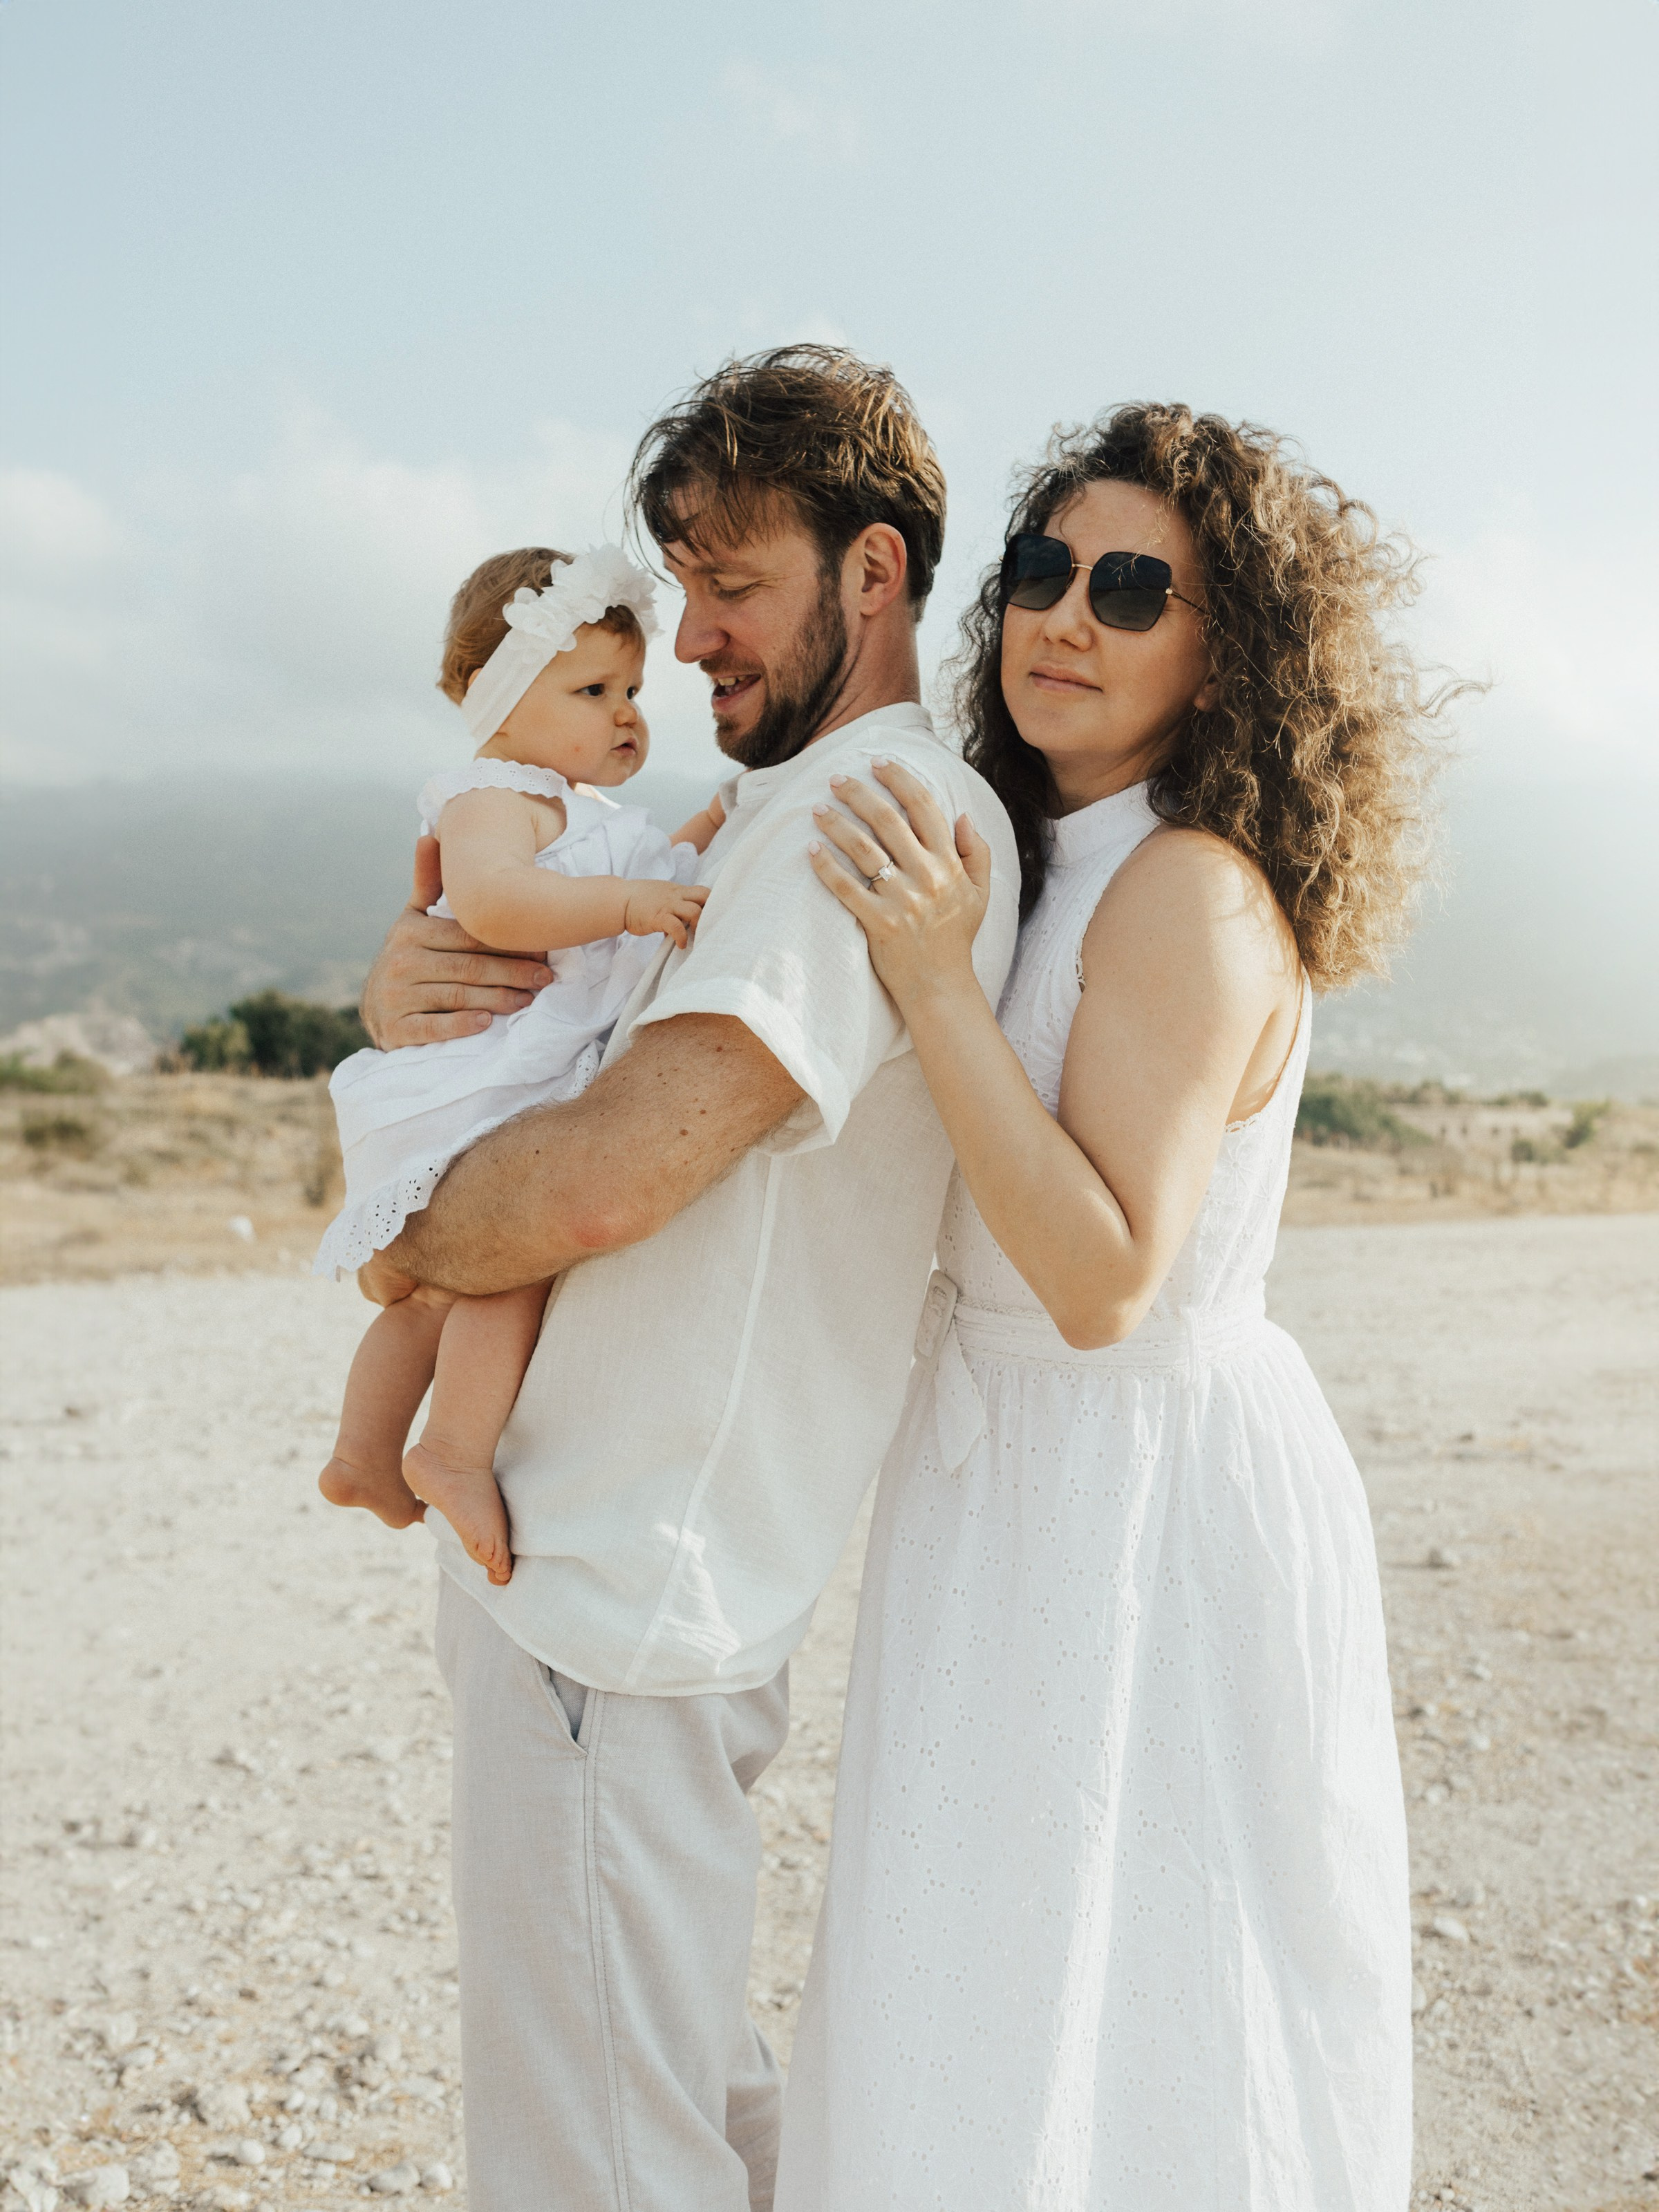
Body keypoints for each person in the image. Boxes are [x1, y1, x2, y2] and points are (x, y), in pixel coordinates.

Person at [349, 348, 1020, 2211]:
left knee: (603, 2163)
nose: (693, 636)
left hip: (612, 1588)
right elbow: (545, 1058)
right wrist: (413, 1005)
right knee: (683, 2114)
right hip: (626, 1582)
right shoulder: (786, 814)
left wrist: (396, 1233)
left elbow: (603, 1176)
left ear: (873, 573)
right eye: (680, 584)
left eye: (734, 584)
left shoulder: (860, 815)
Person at [776, 404, 1442, 2211]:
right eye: (1043, 570)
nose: (1067, 615)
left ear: (1228, 653)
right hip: (1013, 1472)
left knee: (1139, 2004)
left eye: (1135, 589)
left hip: (1139, 1487)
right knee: (977, 1983)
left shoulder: (1189, 889)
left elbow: (1102, 1280)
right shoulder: (1039, 847)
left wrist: (934, 983)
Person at [315, 543, 723, 1582]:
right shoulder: (494, 797)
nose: (626, 714)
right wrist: (630, 904)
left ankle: (363, 1456)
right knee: (508, 1267)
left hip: (516, 1069)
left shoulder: (572, 810)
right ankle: (451, 1451)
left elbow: (646, 873)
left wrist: (715, 824)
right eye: (592, 691)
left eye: (632, 691)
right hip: (495, 1073)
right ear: (500, 698)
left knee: (429, 1297)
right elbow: (498, 903)